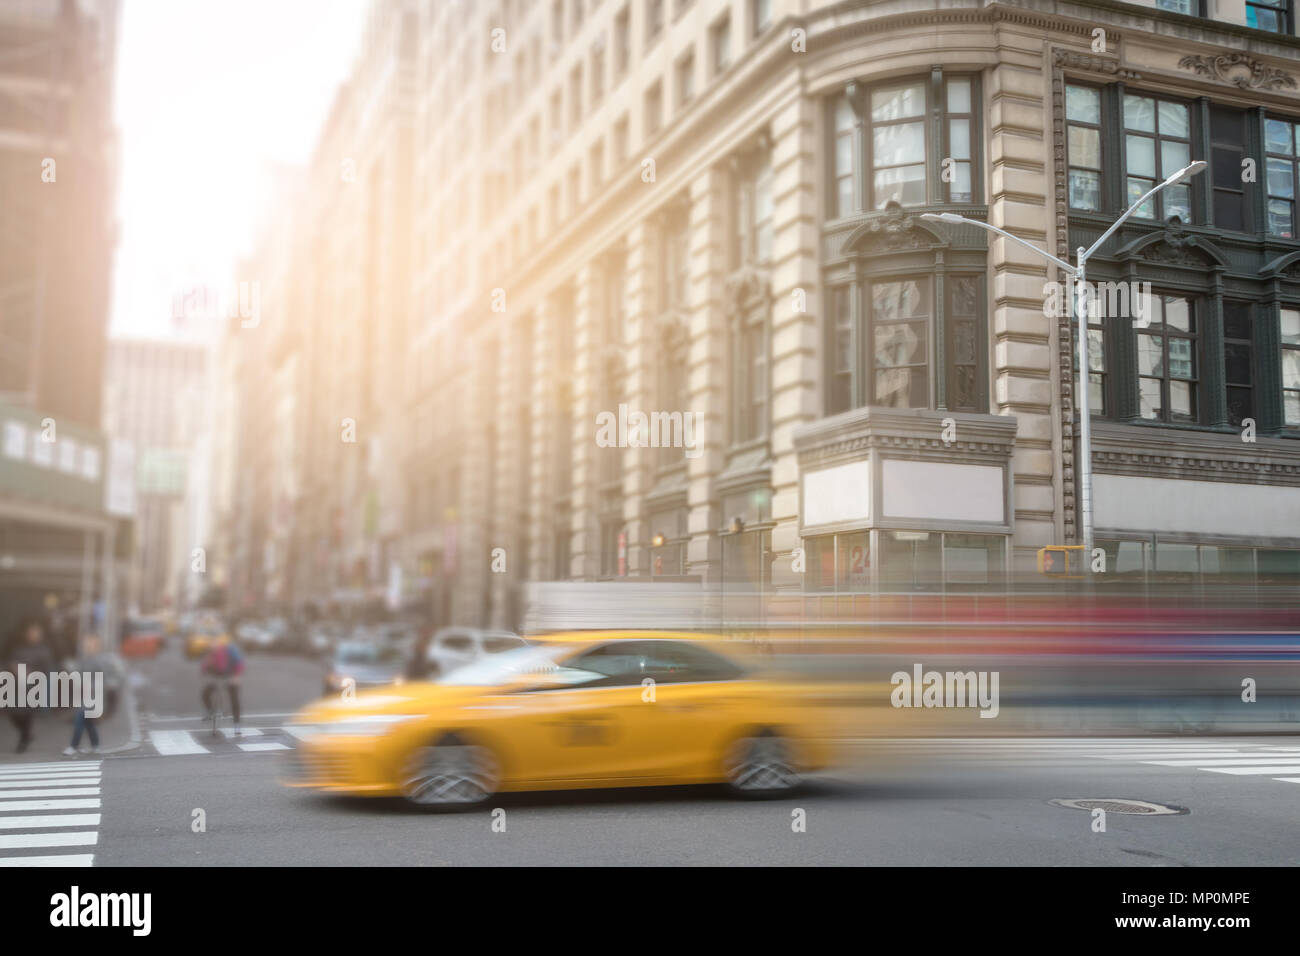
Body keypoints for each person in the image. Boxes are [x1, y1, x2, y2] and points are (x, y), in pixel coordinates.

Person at [6, 620, 56, 753]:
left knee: (26, 712)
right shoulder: (20, 648)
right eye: (31, 632)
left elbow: (47, 669)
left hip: (34, 686)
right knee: (13, 713)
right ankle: (26, 734)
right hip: (17, 685)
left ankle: (23, 740)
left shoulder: (43, 651)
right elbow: (10, 662)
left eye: (36, 633)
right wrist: (13, 667)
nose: (33, 635)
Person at [63, 633, 114, 756]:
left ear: (97, 646)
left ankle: (73, 746)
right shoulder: (84, 659)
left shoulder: (100, 661)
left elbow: (104, 679)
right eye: (86, 644)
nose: (87, 647)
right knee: (88, 721)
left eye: (90, 645)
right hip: (84, 695)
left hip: (94, 696)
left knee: (79, 719)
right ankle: (95, 745)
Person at [200, 635, 245, 735]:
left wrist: (236, 677)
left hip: (231, 674)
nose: (213, 646)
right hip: (217, 675)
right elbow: (205, 665)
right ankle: (210, 710)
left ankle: (236, 725)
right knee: (205, 693)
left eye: (214, 644)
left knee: (234, 698)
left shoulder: (231, 650)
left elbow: (239, 664)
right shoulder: (210, 652)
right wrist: (205, 673)